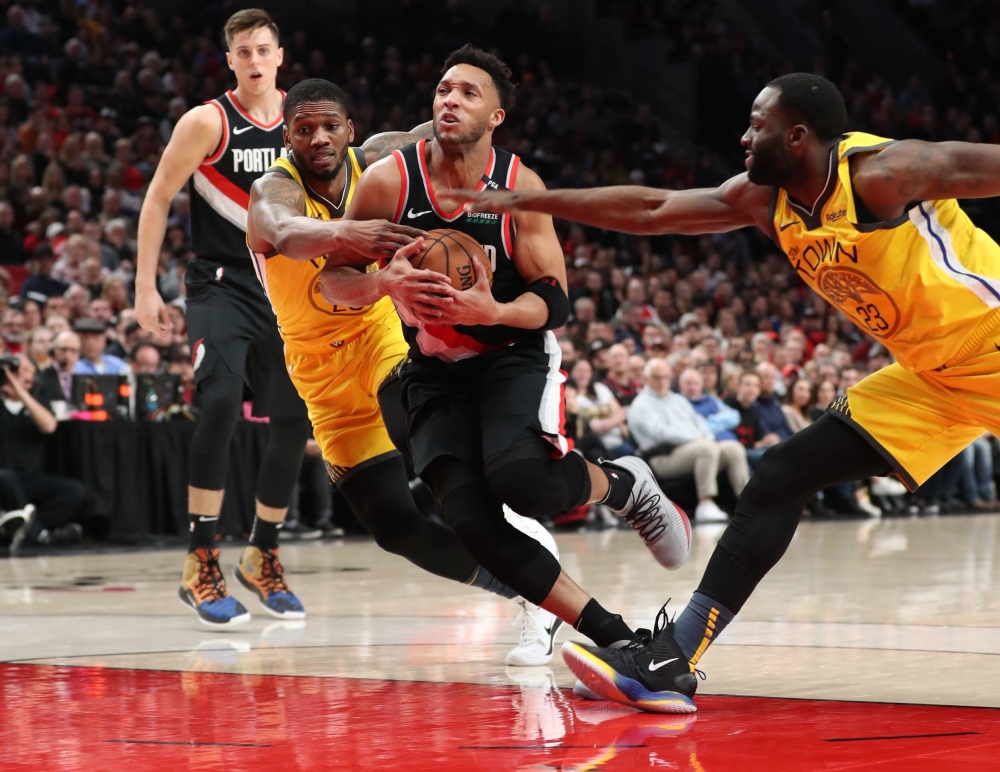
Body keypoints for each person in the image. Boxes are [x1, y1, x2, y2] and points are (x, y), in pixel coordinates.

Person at [449, 71, 1000, 713]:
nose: (742, 136)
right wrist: (533, 202)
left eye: (756, 124)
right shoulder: (764, 201)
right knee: (780, 476)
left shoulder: (885, 173)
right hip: (928, 375)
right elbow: (654, 210)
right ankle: (671, 659)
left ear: (796, 136)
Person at [323, 46, 691, 656]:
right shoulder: (390, 182)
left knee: (524, 481)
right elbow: (332, 278)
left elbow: (555, 300)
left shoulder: (520, 187)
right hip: (434, 368)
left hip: (513, 354)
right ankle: (617, 638)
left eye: (469, 93)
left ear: (495, 117)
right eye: (444, 89)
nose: (450, 100)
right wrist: (379, 283)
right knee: (470, 524)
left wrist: (492, 311)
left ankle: (626, 485)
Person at [245, 77, 564, 665]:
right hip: (315, 370)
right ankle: (527, 588)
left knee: (423, 439)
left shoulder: (380, 164)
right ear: (285, 134)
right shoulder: (272, 190)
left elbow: (442, 135)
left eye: (329, 126)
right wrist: (347, 232)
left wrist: (487, 103)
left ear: (351, 129)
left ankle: (521, 533)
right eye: (303, 128)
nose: (318, 138)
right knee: (395, 528)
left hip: (379, 336)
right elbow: (286, 234)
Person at [135, 9, 312, 627]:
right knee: (219, 402)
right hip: (219, 284)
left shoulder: (306, 120)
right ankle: (200, 558)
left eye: (265, 48)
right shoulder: (206, 121)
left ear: (280, 55)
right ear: (230, 59)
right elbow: (157, 197)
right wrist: (143, 287)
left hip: (287, 289)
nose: (256, 59)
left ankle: (262, 554)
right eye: (245, 51)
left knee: (293, 423)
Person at [629, 359, 749, 523]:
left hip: (692, 449)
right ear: (646, 378)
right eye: (656, 377)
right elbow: (659, 433)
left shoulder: (678, 400)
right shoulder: (641, 404)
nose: (662, 381)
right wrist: (695, 439)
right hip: (661, 457)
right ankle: (705, 503)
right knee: (706, 449)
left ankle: (748, 501)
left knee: (734, 448)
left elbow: (699, 422)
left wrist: (708, 438)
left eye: (665, 377)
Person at [0, 355, 85, 554]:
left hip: (32, 479)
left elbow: (48, 426)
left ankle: (17, 529)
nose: (21, 376)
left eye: (27, 370)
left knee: (74, 490)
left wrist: (21, 394)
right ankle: (41, 536)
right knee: (5, 477)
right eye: (16, 371)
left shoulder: (39, 399)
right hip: (4, 479)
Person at [570, 358, 633, 458]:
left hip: (615, 440)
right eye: (579, 371)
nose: (583, 375)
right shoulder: (571, 395)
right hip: (593, 444)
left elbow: (619, 412)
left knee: (633, 456)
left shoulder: (600, 388)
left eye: (586, 371)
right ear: (571, 372)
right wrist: (589, 425)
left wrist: (610, 423)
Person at [723, 370, 779, 469]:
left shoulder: (754, 410)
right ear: (738, 386)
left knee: (777, 451)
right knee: (770, 458)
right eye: (748, 384)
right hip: (734, 452)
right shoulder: (727, 405)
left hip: (751, 451)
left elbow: (758, 440)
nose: (752, 389)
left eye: (756, 386)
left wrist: (767, 440)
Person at [678, 367, 740, 442]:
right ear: (680, 385)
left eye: (696, 383)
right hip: (701, 442)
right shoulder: (678, 403)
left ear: (701, 385)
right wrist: (720, 419)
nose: (692, 387)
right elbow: (692, 427)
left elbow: (734, 417)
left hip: (726, 439)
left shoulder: (711, 399)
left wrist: (709, 418)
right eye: (688, 383)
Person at [754, 362, 794, 441]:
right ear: (757, 379)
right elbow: (766, 434)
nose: (770, 381)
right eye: (766, 377)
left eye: (773, 377)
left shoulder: (775, 402)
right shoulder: (754, 405)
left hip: (787, 444)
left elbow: (787, 428)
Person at [601, 342, 641, 409]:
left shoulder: (638, 386)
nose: (618, 360)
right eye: (614, 357)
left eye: (622, 356)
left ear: (629, 360)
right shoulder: (603, 387)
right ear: (608, 361)